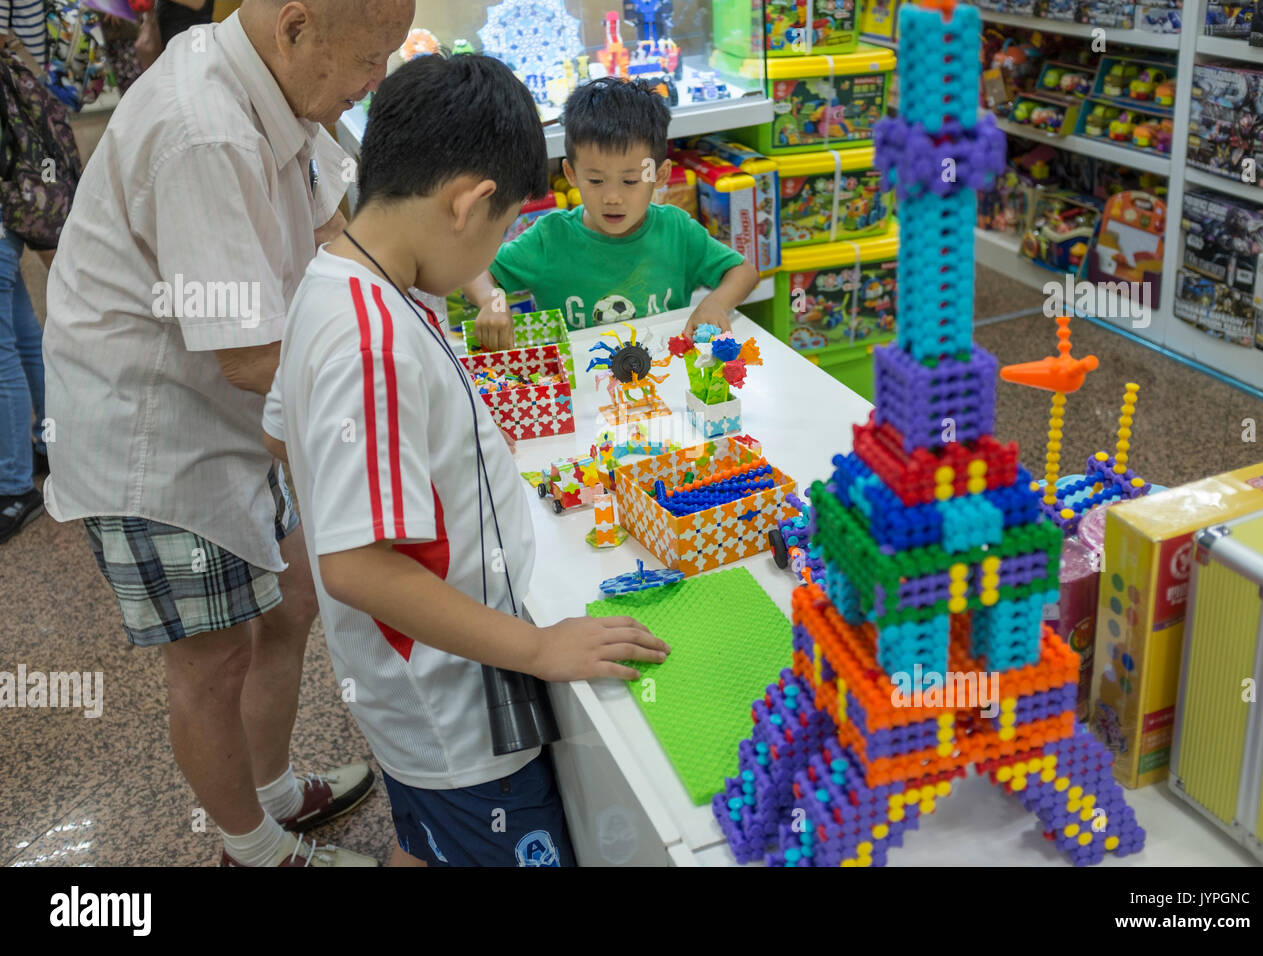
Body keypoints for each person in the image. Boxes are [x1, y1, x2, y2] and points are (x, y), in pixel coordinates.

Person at [266, 53, 670, 867]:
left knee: (430, 839)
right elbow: (355, 567)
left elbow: (286, 431)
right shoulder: (372, 338)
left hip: (413, 684)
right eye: (505, 222)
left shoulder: (345, 280)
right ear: (470, 204)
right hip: (460, 708)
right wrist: (537, 649)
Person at [40, 0, 414, 867]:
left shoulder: (285, 89)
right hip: (155, 438)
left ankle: (276, 790)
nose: (375, 82)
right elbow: (251, 356)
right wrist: (374, 438)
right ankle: (250, 850)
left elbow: (331, 236)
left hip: (233, 408)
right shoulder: (203, 131)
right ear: (295, 28)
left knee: (289, 601)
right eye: (368, 59)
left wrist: (409, 323)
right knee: (212, 658)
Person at [462, 76, 759, 348]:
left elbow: (743, 272)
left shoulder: (676, 230)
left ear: (660, 175)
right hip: (580, 389)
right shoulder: (551, 237)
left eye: (630, 181)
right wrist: (493, 301)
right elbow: (476, 270)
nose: (613, 198)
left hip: (663, 380)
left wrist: (716, 303)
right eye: (595, 181)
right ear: (571, 173)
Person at [0, 8, 51, 544]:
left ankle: (13, 485)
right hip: (11, 199)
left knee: (2, 348)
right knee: (19, 330)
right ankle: (48, 444)